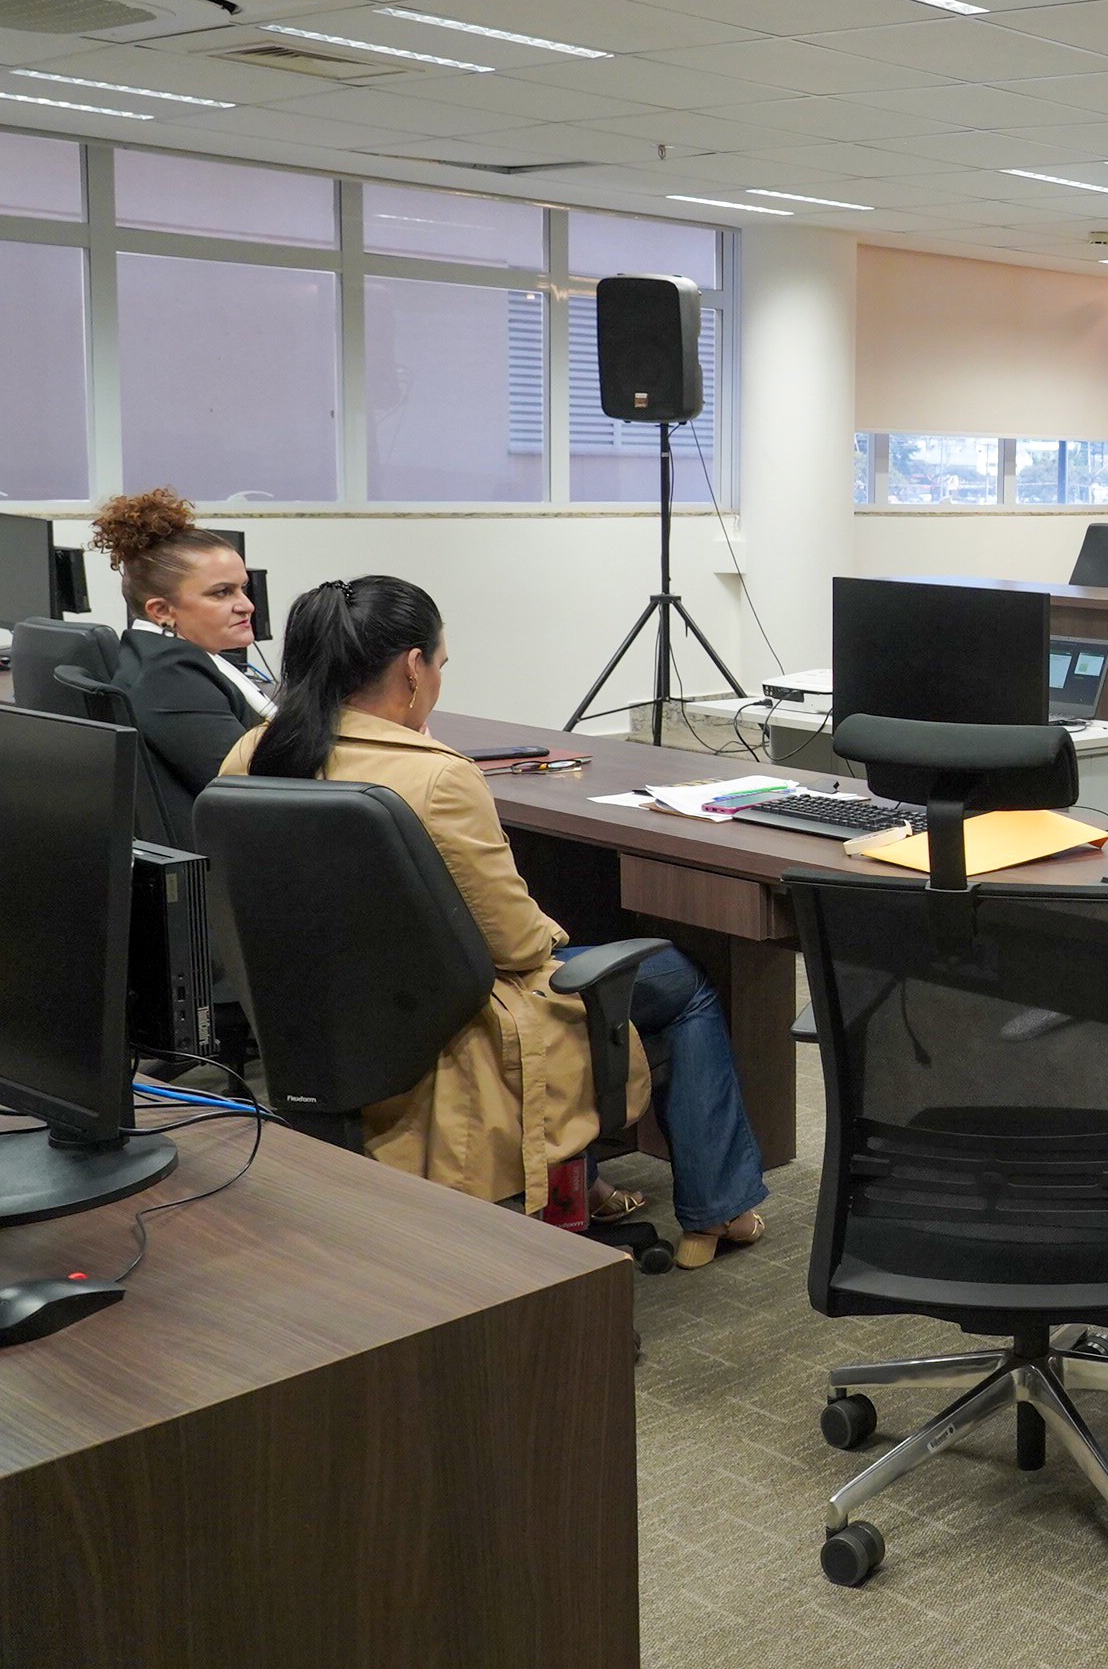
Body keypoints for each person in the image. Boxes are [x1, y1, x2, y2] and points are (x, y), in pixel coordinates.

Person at [219, 576, 768, 1268]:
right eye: (440, 664)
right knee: (680, 979)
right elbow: (516, 945)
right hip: (462, 1022)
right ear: (412, 667)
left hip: (326, 1021)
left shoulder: (253, 752)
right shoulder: (438, 776)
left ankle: (591, 1182)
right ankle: (718, 1210)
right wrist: (556, 932)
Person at [92, 489, 272, 834]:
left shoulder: (157, 653)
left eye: (242, 588)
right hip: (238, 851)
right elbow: (255, 789)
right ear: (161, 610)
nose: (247, 605)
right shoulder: (170, 678)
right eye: (222, 592)